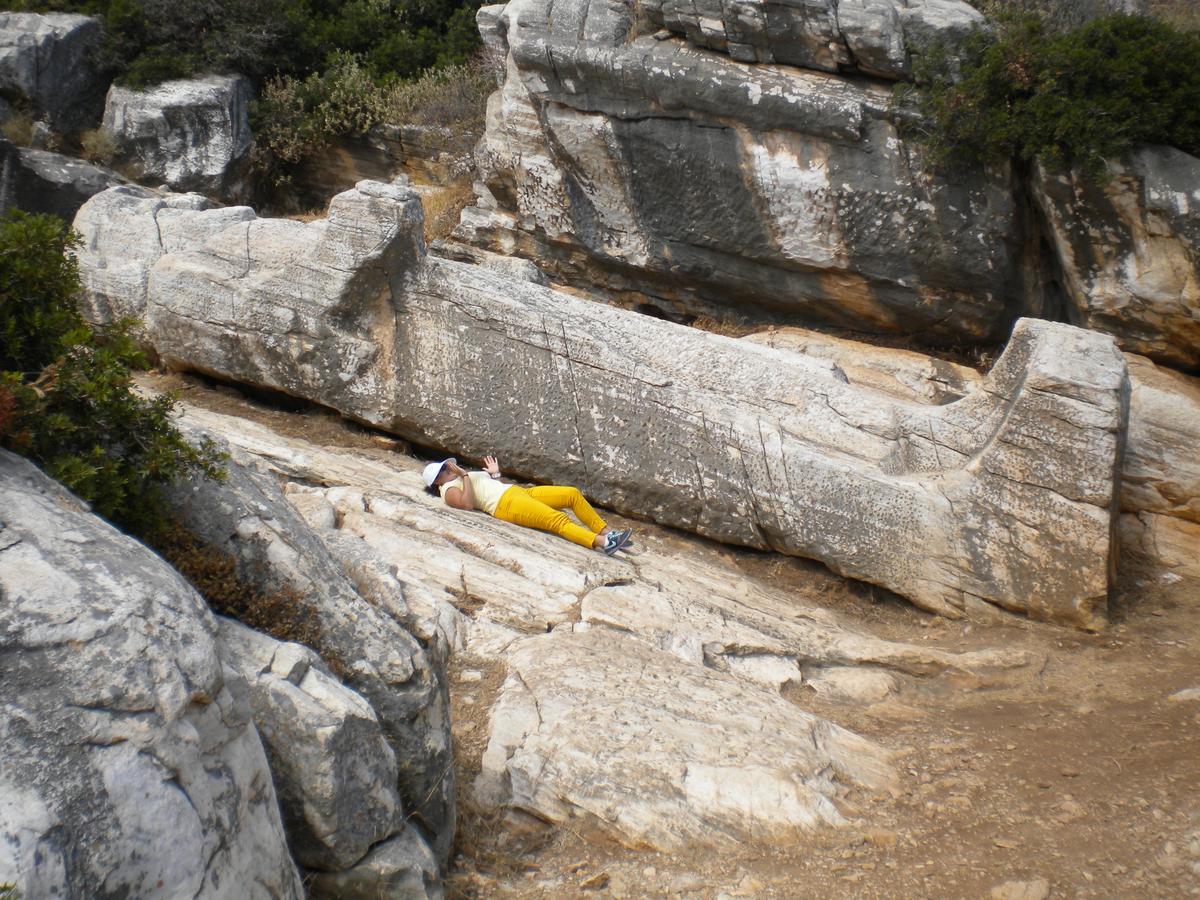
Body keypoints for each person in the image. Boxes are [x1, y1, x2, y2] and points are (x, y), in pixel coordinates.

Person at [422, 455, 633, 555]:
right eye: (443, 470)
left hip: (517, 493)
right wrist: (465, 475)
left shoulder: (457, 479)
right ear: (437, 482)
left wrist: (495, 475)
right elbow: (467, 504)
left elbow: (493, 487)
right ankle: (604, 543)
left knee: (571, 494)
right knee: (557, 520)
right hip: (506, 505)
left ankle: (607, 532)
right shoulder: (448, 491)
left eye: (445, 467)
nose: (447, 469)